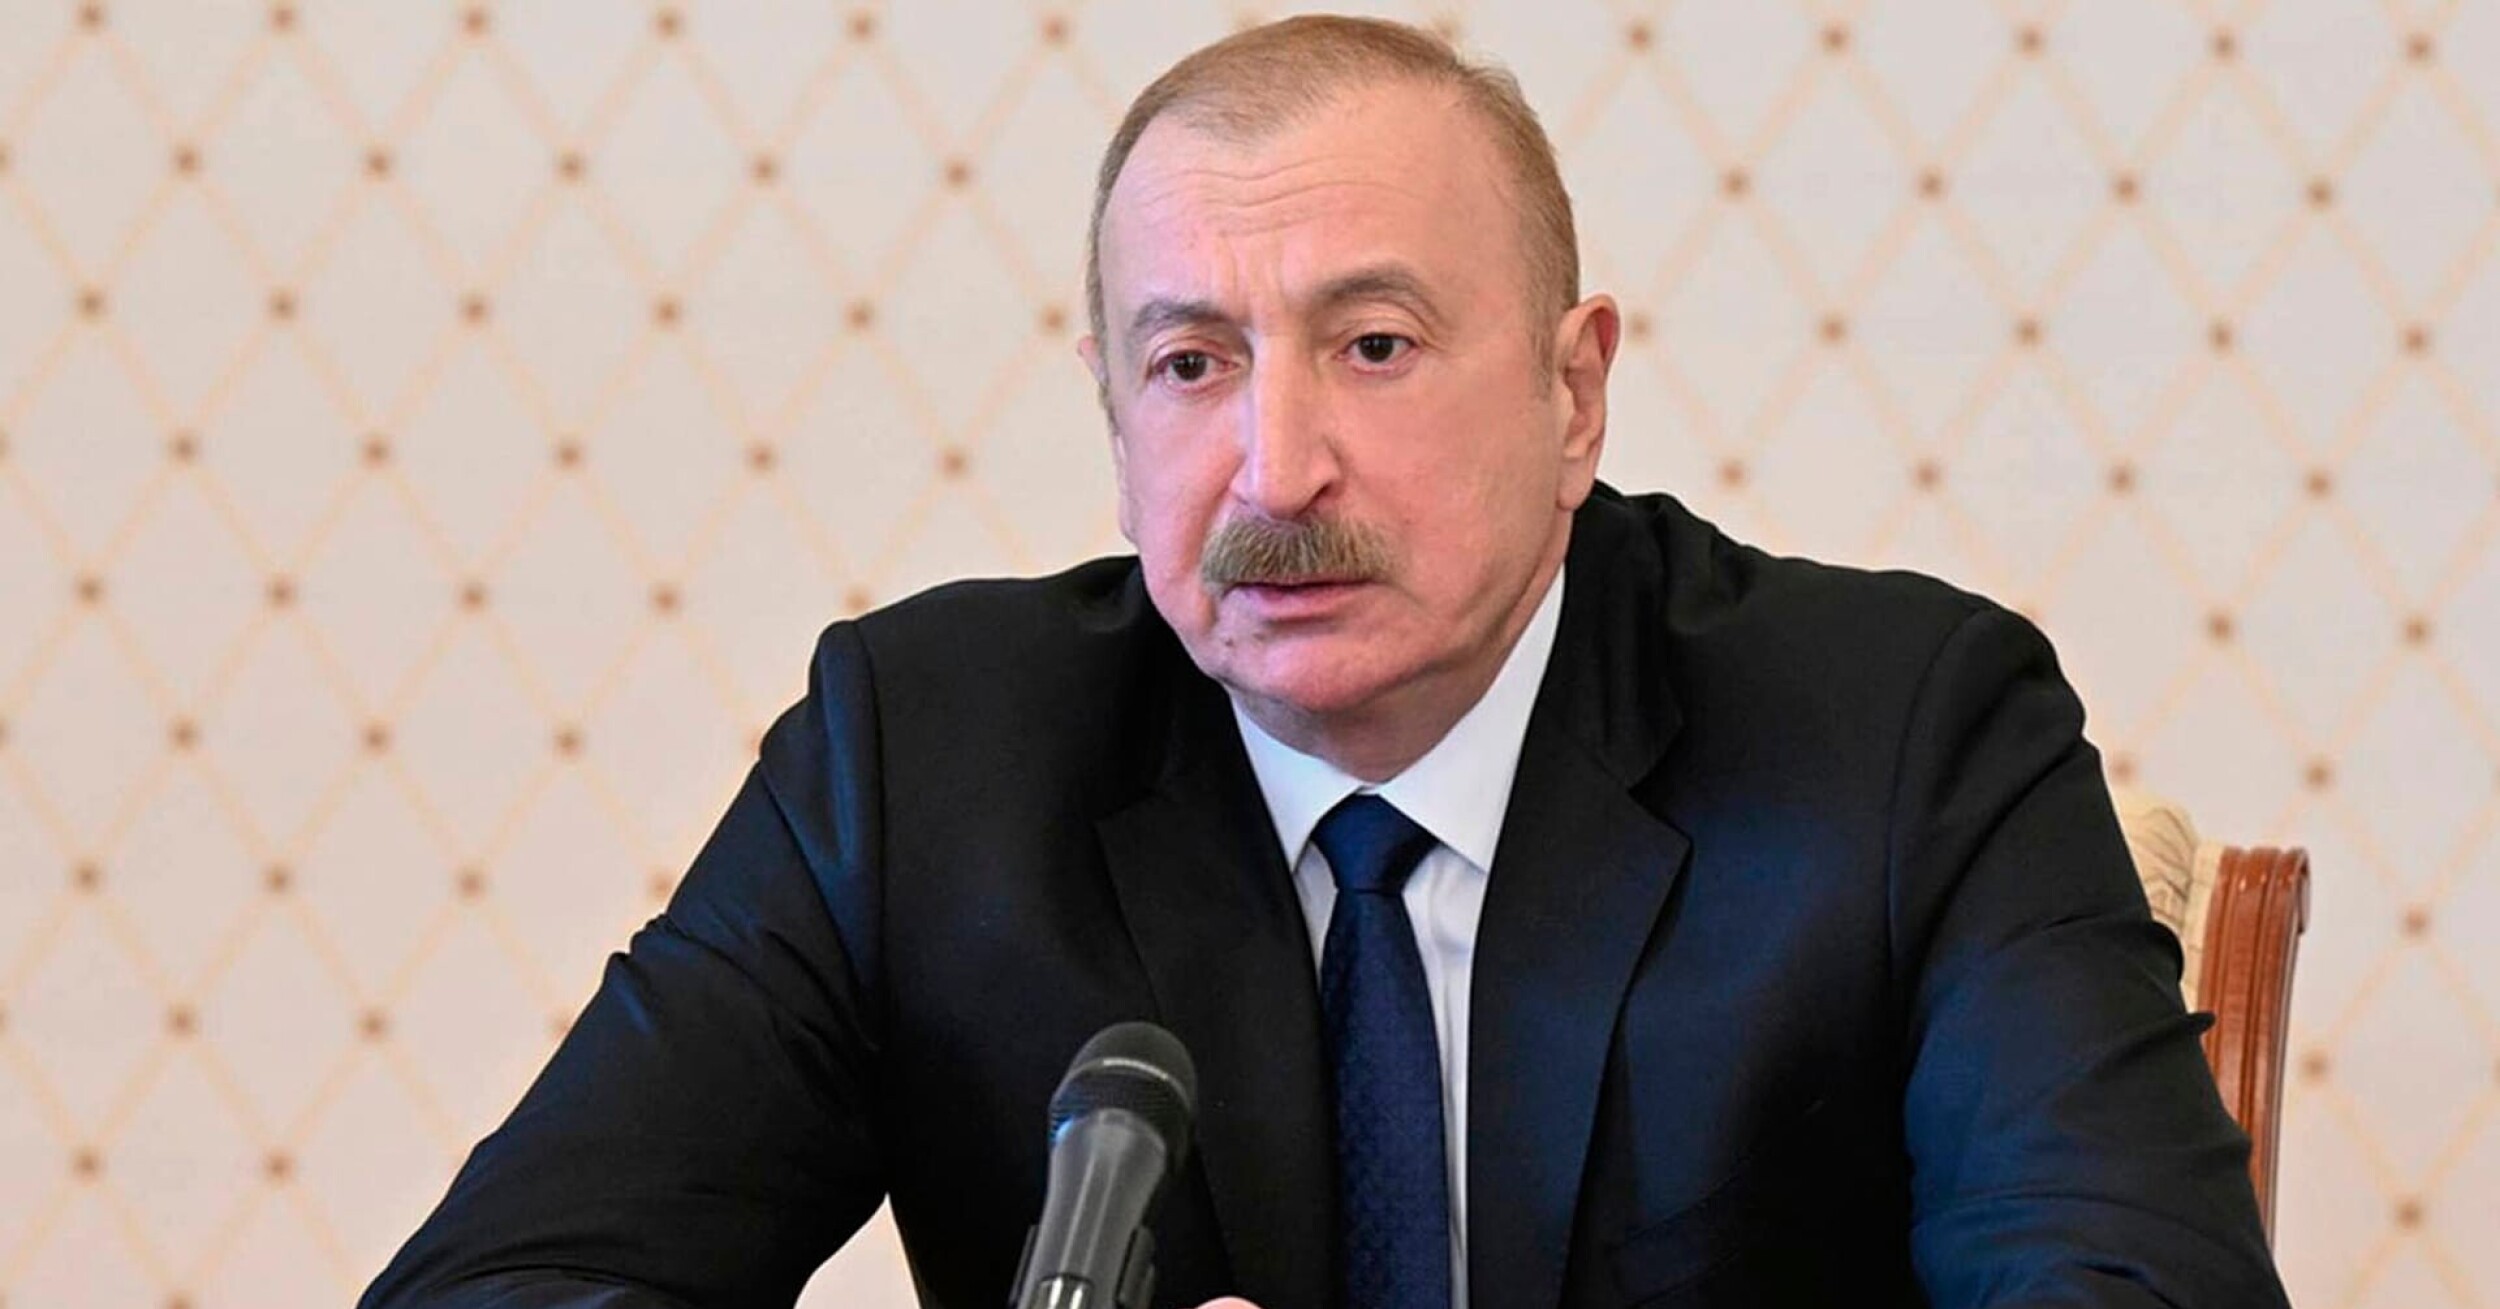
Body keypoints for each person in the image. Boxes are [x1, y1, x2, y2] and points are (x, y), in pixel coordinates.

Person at [362, 16, 2291, 1309]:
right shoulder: (921, 761)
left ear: (1573, 392)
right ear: (1116, 411)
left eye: (1375, 345)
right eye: (1190, 362)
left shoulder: (1905, 736)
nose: (1274, 469)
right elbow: (503, 1286)